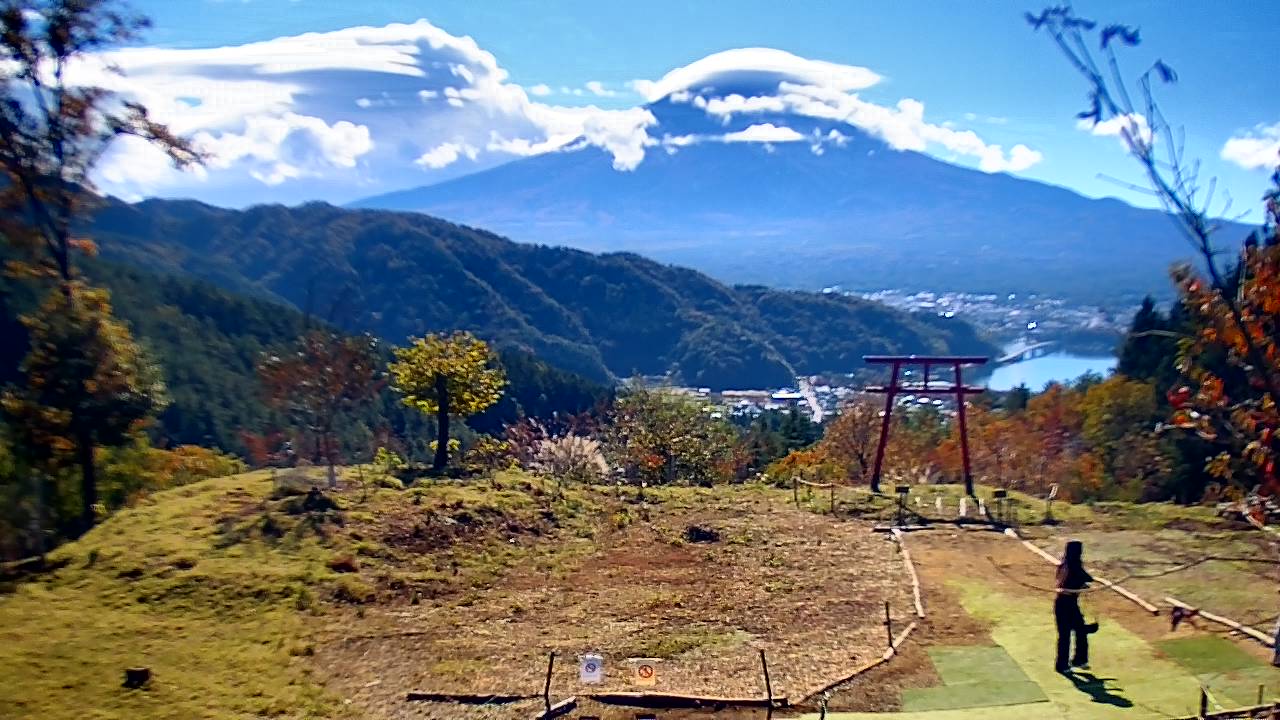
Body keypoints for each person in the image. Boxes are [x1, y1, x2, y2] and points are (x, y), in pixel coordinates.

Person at [1055, 540, 1097, 672]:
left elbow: (1082, 580)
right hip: (1064, 604)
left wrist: (1083, 586)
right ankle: (1062, 665)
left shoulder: (1071, 564)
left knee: (1081, 631)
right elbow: (1085, 578)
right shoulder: (1069, 566)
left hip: (1071, 603)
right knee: (1065, 635)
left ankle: (1080, 660)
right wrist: (1084, 584)